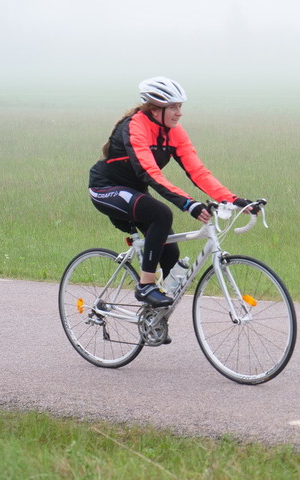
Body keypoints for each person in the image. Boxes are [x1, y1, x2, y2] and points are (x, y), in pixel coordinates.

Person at [89, 76, 256, 307]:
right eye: (174, 107)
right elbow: (150, 172)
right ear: (156, 110)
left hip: (135, 192)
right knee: (161, 213)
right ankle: (145, 286)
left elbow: (198, 172)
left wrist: (234, 200)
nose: (180, 113)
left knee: (170, 254)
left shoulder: (173, 131)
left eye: (181, 106)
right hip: (107, 189)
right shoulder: (134, 126)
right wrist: (189, 204)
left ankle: (154, 318)